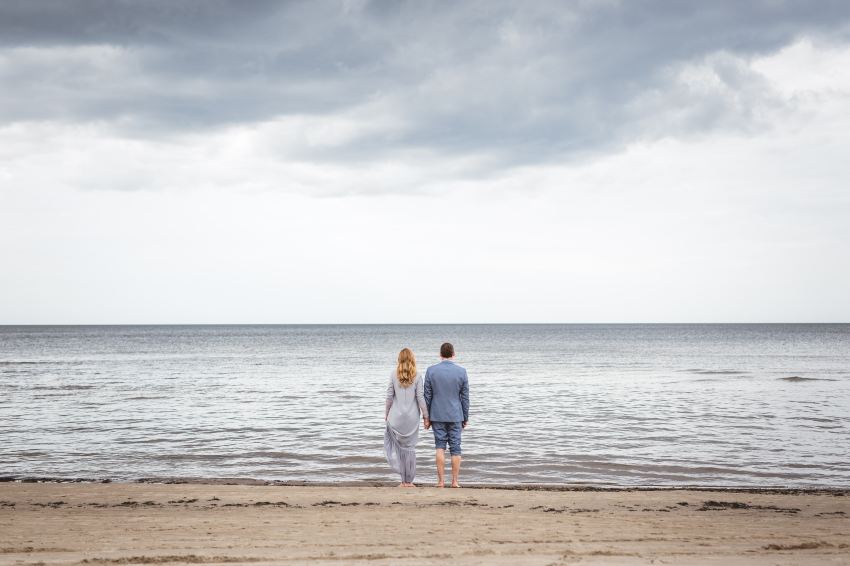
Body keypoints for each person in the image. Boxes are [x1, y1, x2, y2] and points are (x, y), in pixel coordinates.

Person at [424, 342, 469, 488]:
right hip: (456, 415)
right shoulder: (461, 372)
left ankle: (441, 481)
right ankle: (455, 481)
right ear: (453, 354)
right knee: (456, 448)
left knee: (439, 447)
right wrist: (466, 417)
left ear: (440, 354)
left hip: (437, 415)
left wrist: (426, 417)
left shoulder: (431, 371)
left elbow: (427, 396)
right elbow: (465, 397)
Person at [384, 347, 428, 487]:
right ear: (412, 359)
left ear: (399, 359)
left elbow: (389, 397)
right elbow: (421, 398)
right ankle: (409, 482)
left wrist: (386, 414)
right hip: (412, 419)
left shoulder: (393, 374)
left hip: (395, 418)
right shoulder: (418, 375)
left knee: (400, 450)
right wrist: (426, 417)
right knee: (410, 450)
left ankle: (403, 481)